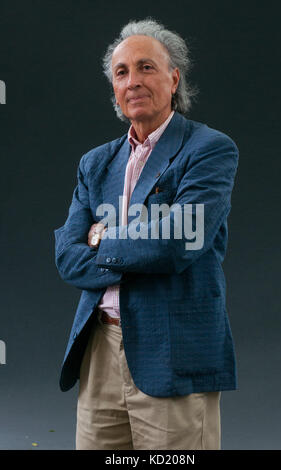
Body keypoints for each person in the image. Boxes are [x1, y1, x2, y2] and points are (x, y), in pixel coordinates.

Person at [54, 18, 239, 450]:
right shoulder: (95, 163)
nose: (133, 81)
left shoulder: (208, 149)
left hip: (172, 349)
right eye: (122, 73)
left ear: (174, 78)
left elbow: (177, 244)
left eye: (146, 67)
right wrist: (137, 239)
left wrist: (101, 238)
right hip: (99, 349)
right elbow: (66, 255)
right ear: (114, 89)